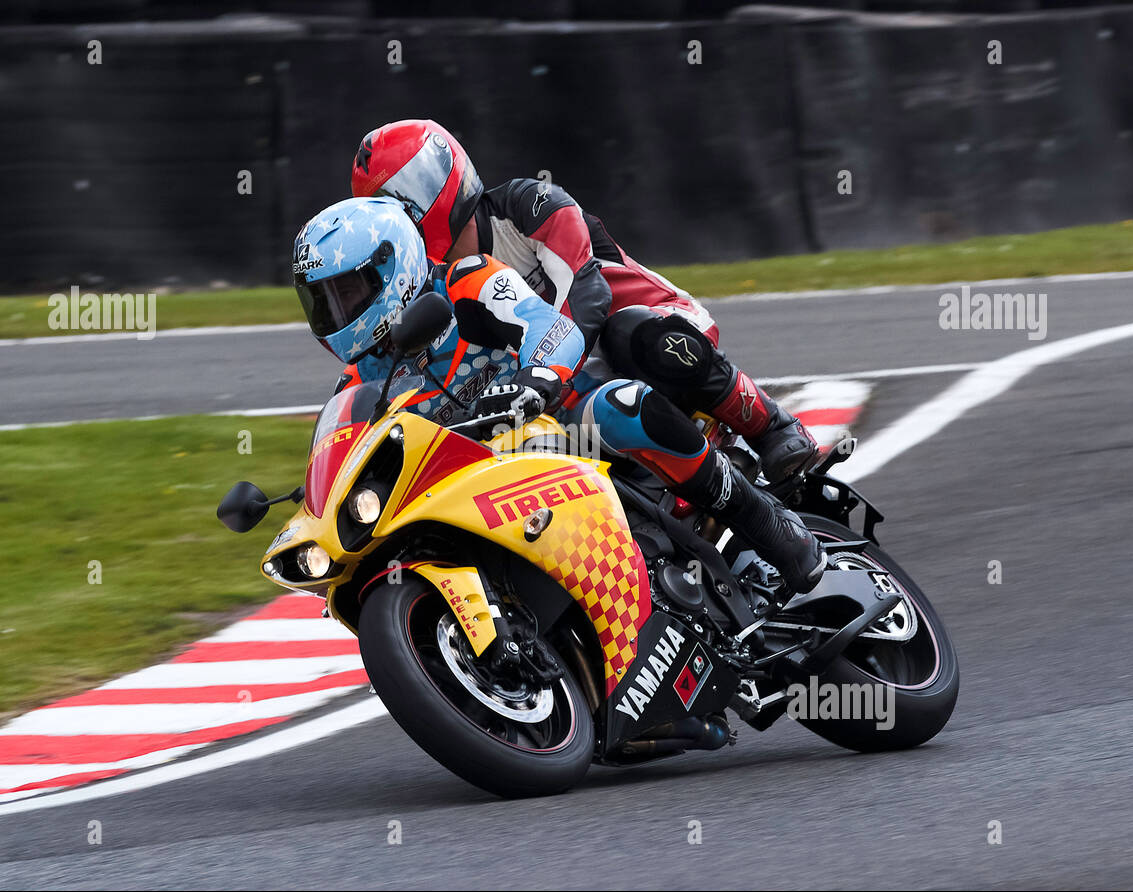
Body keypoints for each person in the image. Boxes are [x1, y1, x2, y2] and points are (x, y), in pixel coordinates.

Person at [294, 196, 824, 593]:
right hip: (482, 492)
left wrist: (540, 378)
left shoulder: (469, 281)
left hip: (567, 434)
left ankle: (767, 524)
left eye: (349, 291)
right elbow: (343, 453)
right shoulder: (359, 383)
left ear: (395, 269)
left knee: (623, 407)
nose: (338, 313)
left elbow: (550, 328)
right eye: (325, 301)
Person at [348, 118, 821, 488]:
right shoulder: (429, 288)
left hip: (652, 326)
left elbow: (588, 297)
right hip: (557, 386)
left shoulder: (528, 205)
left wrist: (545, 376)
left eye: (408, 195)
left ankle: (772, 427)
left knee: (629, 333)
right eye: (389, 206)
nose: (406, 213)